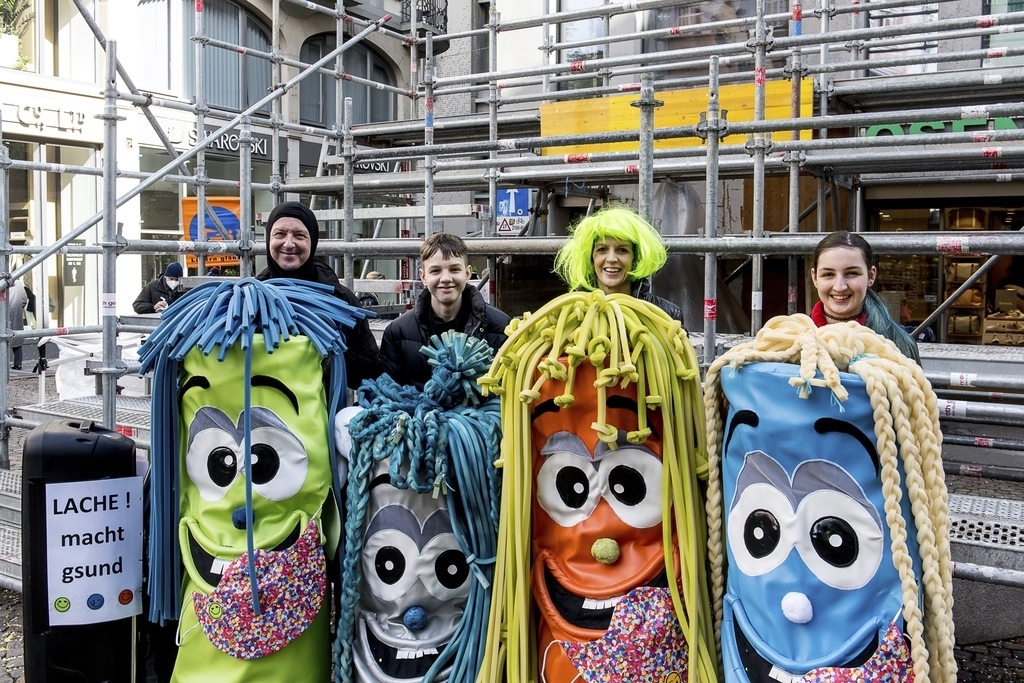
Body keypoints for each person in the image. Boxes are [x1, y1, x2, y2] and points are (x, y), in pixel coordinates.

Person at [255, 200, 381, 390]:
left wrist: (331, 359)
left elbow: (372, 372)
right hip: (260, 413)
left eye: (299, 235)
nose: (288, 244)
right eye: (280, 234)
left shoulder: (340, 301)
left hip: (320, 416)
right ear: (268, 240)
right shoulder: (247, 301)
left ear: (312, 241)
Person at [380, 232, 510, 389]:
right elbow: (389, 394)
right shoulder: (397, 333)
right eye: (435, 271)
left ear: (467, 273)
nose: (446, 278)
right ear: (423, 276)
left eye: (454, 269)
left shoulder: (501, 327)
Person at [553, 204, 683, 323]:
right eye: (602, 249)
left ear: (635, 259)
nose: (611, 259)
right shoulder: (567, 314)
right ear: (591, 259)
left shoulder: (667, 315)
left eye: (622, 250)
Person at [810, 230, 920, 363]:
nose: (839, 287)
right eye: (828, 274)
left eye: (851, 273)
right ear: (815, 278)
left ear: (871, 276)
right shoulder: (792, 339)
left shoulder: (899, 344)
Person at [8, 278, 27, 370]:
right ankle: (18, 363)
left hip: (5, 311)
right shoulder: (19, 283)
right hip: (17, 312)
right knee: (17, 339)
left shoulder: (3, 282)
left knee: (4, 338)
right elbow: (24, 299)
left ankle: (3, 364)